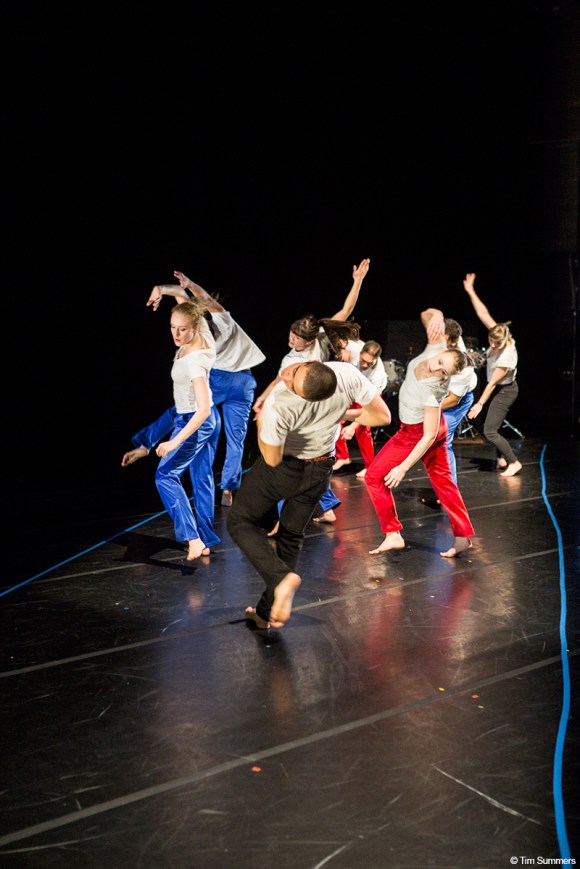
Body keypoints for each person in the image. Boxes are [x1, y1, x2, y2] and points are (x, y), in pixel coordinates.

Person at [227, 359, 391, 629]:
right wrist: (343, 414)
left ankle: (281, 578)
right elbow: (382, 417)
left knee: (239, 520)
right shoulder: (346, 374)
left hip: (284, 469)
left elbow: (271, 457)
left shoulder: (280, 401)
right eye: (294, 373)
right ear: (314, 363)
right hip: (321, 468)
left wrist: (262, 422)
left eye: (292, 382)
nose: (287, 377)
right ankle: (267, 613)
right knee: (290, 535)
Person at [123, 272, 266, 508]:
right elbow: (197, 300)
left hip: (227, 380)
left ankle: (146, 444)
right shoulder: (210, 326)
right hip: (241, 381)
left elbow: (197, 299)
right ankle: (228, 488)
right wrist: (177, 287)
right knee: (234, 437)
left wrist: (169, 287)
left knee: (184, 411)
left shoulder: (209, 330)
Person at [254, 257, 371, 528]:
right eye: (291, 334)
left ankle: (284, 519)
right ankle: (327, 507)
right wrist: (262, 398)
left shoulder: (317, 341)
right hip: (303, 406)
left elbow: (345, 310)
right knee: (302, 458)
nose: (291, 339)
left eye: (296, 338)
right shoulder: (289, 357)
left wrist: (358, 282)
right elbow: (277, 380)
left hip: (311, 405)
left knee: (289, 460)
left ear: (309, 339)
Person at [364, 307, 476, 558]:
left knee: (373, 477)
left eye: (443, 372)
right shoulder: (435, 350)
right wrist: (435, 317)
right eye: (439, 363)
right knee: (445, 484)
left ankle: (393, 533)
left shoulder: (434, 390)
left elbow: (427, 435)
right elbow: (428, 312)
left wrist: (403, 467)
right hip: (423, 431)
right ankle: (462, 537)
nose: (435, 369)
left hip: (419, 433)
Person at [153, 299, 220, 561]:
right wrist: (167, 289)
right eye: (172, 327)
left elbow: (202, 409)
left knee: (165, 476)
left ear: (194, 328)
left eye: (182, 329)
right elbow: (189, 305)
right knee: (201, 478)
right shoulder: (203, 339)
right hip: (207, 420)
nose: (176, 334)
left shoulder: (194, 361)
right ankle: (204, 540)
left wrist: (173, 442)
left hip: (196, 420)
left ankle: (192, 538)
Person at [462, 272, 522, 477]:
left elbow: (492, 385)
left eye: (497, 343)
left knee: (489, 430)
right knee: (493, 426)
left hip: (506, 391)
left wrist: (479, 404)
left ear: (504, 341)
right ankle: (501, 457)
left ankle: (514, 462)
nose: (493, 345)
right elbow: (483, 313)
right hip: (499, 390)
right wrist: (471, 290)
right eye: (491, 340)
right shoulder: (498, 332)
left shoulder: (507, 356)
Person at [420, 317, 485, 506]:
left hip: (457, 400)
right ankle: (443, 488)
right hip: (442, 394)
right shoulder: (450, 338)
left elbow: (453, 399)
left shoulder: (462, 365)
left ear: (451, 340)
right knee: (432, 443)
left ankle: (448, 493)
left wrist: (427, 409)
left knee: (441, 441)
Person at [333, 339, 388, 478]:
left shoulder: (378, 376)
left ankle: (370, 467)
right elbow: (334, 332)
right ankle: (343, 457)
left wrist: (353, 426)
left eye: (369, 363)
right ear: (360, 352)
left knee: (363, 430)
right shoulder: (354, 346)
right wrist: (342, 349)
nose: (364, 365)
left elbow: (370, 411)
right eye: (362, 360)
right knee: (335, 418)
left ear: (375, 359)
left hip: (368, 394)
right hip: (352, 387)